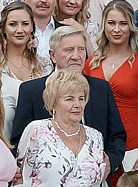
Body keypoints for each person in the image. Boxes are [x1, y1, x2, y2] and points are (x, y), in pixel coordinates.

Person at [9, 25, 127, 167]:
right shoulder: (31, 91)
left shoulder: (101, 89)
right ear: (52, 55)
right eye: (68, 50)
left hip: (95, 179)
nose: (76, 56)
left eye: (81, 50)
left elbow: (117, 136)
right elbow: (19, 142)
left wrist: (109, 163)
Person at [89, 0, 138, 187]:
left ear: (131, 27)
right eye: (111, 23)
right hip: (99, 145)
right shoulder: (90, 64)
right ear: (103, 26)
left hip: (134, 146)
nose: (116, 29)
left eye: (122, 23)